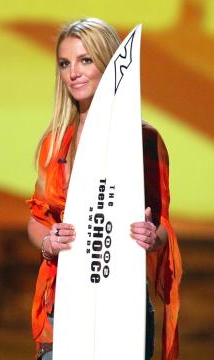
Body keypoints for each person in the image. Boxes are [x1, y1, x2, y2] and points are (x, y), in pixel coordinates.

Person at [26, 18, 182, 360]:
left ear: (110, 63)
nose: (73, 73)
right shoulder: (55, 144)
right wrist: (49, 241)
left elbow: (163, 228)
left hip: (120, 308)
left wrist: (149, 235)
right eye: (65, 64)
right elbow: (37, 220)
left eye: (86, 60)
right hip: (63, 305)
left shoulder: (145, 140)